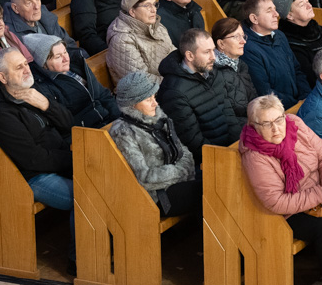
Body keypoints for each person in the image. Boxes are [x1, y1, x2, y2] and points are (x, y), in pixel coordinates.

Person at [0, 47, 76, 271]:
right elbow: (32, 159)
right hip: (31, 177)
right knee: (86, 196)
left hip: (56, 158)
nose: (26, 70)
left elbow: (69, 122)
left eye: (25, 64)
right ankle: (79, 261)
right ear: (2, 77)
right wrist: (73, 160)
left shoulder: (28, 89)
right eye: (19, 67)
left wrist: (46, 105)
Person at [240, 94, 322, 285]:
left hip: (319, 192)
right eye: (266, 124)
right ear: (254, 125)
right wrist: (321, 194)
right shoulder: (255, 155)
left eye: (278, 120)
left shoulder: (295, 124)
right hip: (284, 213)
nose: (276, 129)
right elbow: (276, 202)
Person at [109, 71, 199, 217]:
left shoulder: (157, 116)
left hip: (178, 180)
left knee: (216, 180)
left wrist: (183, 169)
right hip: (157, 197)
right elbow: (145, 178)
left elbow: (182, 150)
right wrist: (180, 171)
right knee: (207, 192)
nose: (155, 103)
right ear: (132, 105)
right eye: (147, 99)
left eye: (154, 97)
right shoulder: (123, 132)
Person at [156, 28, 243, 164]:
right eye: (206, 52)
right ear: (190, 56)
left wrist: (239, 143)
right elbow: (193, 142)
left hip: (229, 150)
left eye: (213, 50)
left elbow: (228, 113)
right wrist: (223, 158)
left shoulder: (212, 73)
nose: (213, 57)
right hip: (208, 161)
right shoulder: (174, 92)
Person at [24, 34, 118, 129]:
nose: (65, 59)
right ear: (44, 64)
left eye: (65, 52)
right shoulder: (44, 86)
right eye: (58, 57)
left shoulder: (77, 66)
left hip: (110, 120)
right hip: (91, 131)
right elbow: (67, 123)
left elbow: (103, 95)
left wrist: (119, 118)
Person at [241, 0, 311, 109]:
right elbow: (264, 91)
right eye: (269, 11)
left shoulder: (279, 35)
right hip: (279, 110)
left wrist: (305, 96)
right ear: (254, 19)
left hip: (299, 104)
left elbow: (297, 70)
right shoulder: (247, 48)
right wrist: (296, 104)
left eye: (275, 9)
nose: (276, 14)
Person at [106, 0, 175, 85]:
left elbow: (174, 54)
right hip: (145, 97)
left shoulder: (157, 27)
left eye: (154, 5)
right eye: (147, 5)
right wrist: (176, 82)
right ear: (132, 12)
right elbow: (140, 81)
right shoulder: (121, 39)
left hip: (168, 85)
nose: (154, 10)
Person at [274, 0, 322, 88]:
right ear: (289, 15)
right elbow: (310, 76)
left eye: (307, 1)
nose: (309, 6)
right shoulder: (289, 42)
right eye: (302, 5)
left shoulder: (319, 30)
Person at [3, 0, 76, 48]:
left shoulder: (46, 16)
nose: (37, 7)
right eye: (29, 3)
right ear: (16, 8)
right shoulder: (11, 33)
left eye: (38, 0)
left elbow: (69, 45)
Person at [211, 17, 257, 119]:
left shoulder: (241, 65)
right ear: (221, 44)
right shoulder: (214, 73)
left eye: (243, 36)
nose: (243, 41)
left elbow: (254, 100)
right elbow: (226, 117)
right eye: (236, 37)